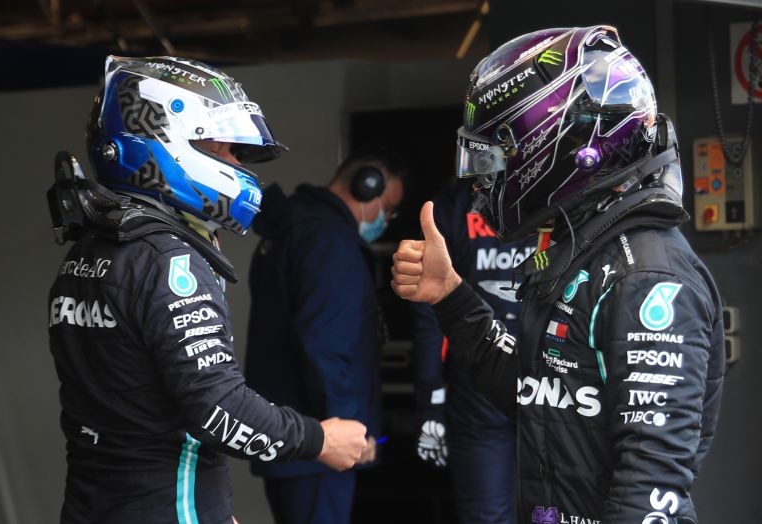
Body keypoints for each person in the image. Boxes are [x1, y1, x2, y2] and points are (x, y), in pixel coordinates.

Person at [391, 25, 725, 524]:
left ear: (562, 149)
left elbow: (650, 483)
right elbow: (535, 391)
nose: (483, 180)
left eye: (495, 158)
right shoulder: (587, 251)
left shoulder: (646, 277)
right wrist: (450, 295)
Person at [47, 55, 368, 524]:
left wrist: (209, 505)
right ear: (165, 141)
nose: (238, 165)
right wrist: (319, 440)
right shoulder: (168, 259)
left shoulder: (87, 251)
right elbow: (215, 405)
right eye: (226, 150)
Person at [244, 148, 406, 524]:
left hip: (288, 436)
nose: (388, 218)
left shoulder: (294, 227)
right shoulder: (329, 240)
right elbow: (326, 344)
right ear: (367, 188)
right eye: (389, 206)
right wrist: (347, 428)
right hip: (318, 443)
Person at [412, 178, 527, 523]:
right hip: (484, 382)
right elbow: (429, 306)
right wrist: (431, 398)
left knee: (552, 511)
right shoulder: (451, 206)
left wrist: (430, 399)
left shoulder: (565, 193)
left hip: (545, 375)